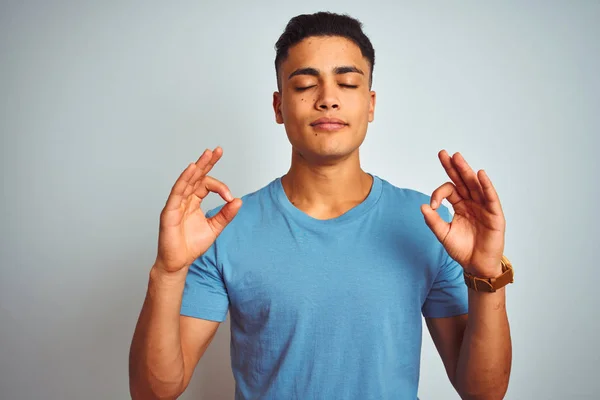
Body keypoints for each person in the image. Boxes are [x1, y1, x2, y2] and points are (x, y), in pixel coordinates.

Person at [129, 12, 512, 400]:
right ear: (278, 108)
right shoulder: (221, 229)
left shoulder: (427, 223)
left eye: (346, 83)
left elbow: (484, 393)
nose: (328, 99)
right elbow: (153, 392)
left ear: (370, 104)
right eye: (306, 85)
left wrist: (487, 277)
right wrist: (168, 272)